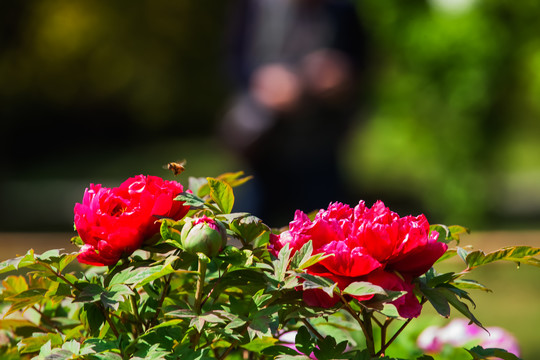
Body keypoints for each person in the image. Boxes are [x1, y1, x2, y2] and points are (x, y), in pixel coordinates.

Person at [220, 0, 369, 227]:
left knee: (329, 231)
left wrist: (340, 76)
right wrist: (265, 82)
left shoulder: (342, 10)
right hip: (265, 143)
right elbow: (235, 61)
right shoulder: (256, 6)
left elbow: (362, 64)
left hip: (320, 144)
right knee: (247, 230)